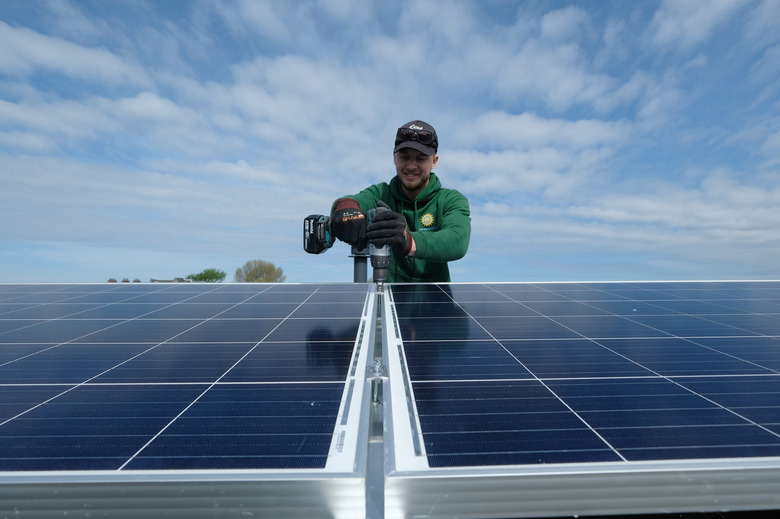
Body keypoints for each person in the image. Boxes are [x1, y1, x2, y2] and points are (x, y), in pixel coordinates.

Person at [330, 120, 471, 282]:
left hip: (436, 300)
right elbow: (351, 201)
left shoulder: (451, 199)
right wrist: (345, 211)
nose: (411, 166)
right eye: (404, 157)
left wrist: (407, 240)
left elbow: (457, 240)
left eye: (421, 158)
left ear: (434, 161)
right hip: (388, 295)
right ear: (394, 157)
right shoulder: (381, 193)